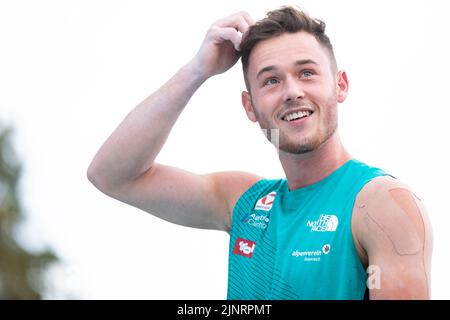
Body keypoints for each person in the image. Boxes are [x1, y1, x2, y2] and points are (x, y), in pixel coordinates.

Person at [87, 6, 432, 299]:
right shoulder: (245, 202)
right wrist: (198, 70)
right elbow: (113, 175)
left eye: (307, 72)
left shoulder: (381, 203)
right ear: (249, 107)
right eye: (270, 81)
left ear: (340, 85)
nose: (292, 92)